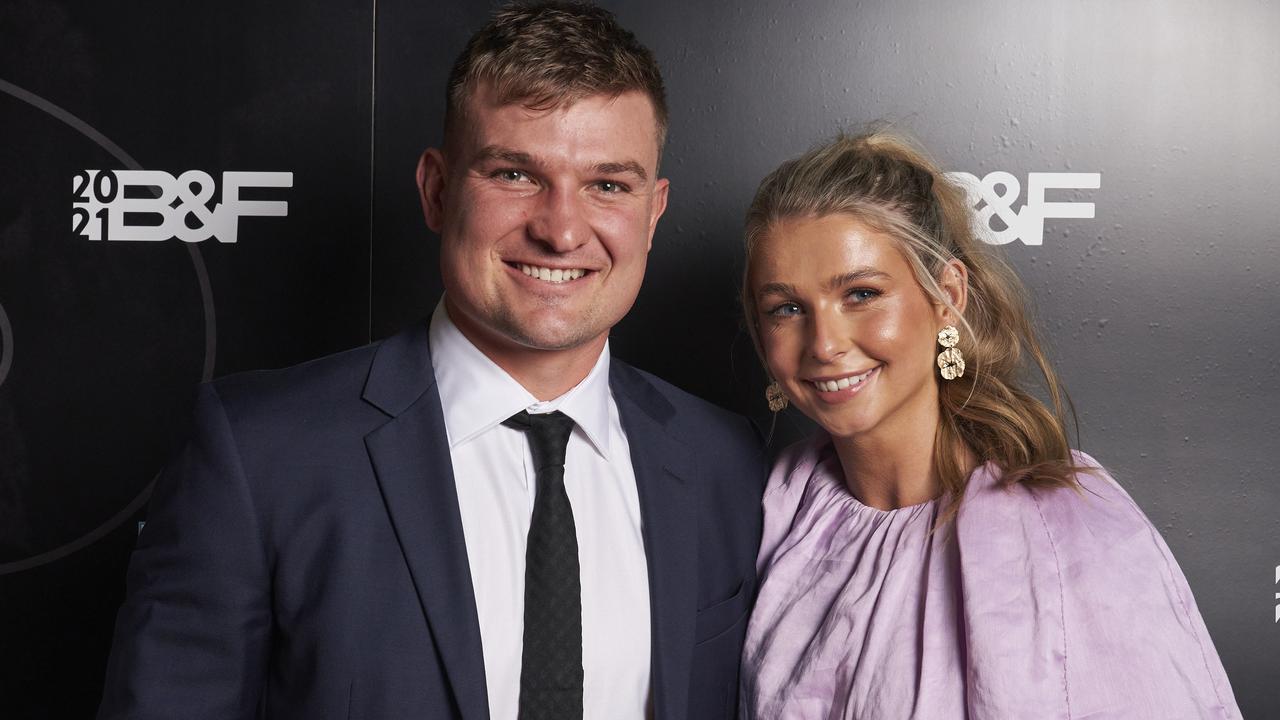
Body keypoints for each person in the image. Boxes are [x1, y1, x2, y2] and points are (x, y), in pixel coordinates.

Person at [96, 3, 765, 719]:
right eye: (515, 174)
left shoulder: (725, 463)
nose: (562, 228)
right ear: (438, 191)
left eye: (608, 185)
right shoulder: (259, 456)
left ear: (653, 213)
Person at [737, 131, 1240, 719]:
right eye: (787, 309)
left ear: (946, 296)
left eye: (862, 294)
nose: (824, 344)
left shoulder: (1073, 529)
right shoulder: (772, 511)